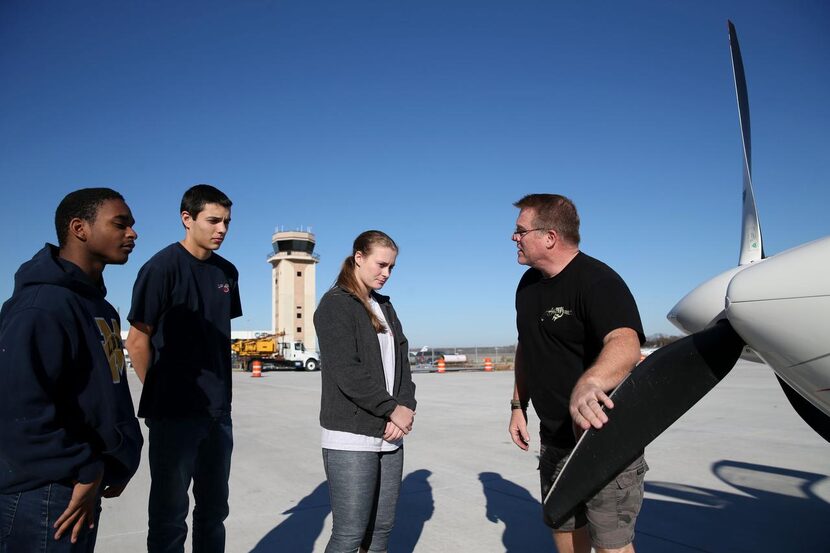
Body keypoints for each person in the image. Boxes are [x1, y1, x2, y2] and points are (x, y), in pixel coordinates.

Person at [0, 188, 143, 552]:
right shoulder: (41, 307)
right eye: (120, 224)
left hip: (82, 484)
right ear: (79, 228)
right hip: (45, 494)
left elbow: (105, 394)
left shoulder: (100, 308)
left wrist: (117, 460)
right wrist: (85, 467)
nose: (132, 233)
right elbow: (17, 410)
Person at [507, 194, 647, 553]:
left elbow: (625, 341)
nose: (514, 237)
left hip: (604, 443)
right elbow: (527, 348)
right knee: (565, 532)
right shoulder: (527, 286)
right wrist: (517, 405)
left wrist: (591, 381)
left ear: (550, 236)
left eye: (521, 230)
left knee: (612, 546)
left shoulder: (597, 281)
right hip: (554, 440)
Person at [125, 184, 241, 553]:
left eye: (226, 221)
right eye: (213, 220)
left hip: (218, 414)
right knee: (169, 517)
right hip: (174, 416)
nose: (221, 229)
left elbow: (218, 334)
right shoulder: (160, 269)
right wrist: (161, 391)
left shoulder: (227, 273)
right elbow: (137, 340)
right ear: (187, 219)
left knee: (213, 513)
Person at [314, 230, 417, 553]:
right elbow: (347, 371)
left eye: (391, 268)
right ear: (358, 258)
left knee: (381, 530)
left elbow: (403, 365)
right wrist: (391, 409)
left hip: (390, 433)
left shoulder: (385, 306)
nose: (386, 273)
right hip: (351, 435)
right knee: (350, 533)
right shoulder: (335, 305)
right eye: (380, 264)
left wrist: (404, 408)